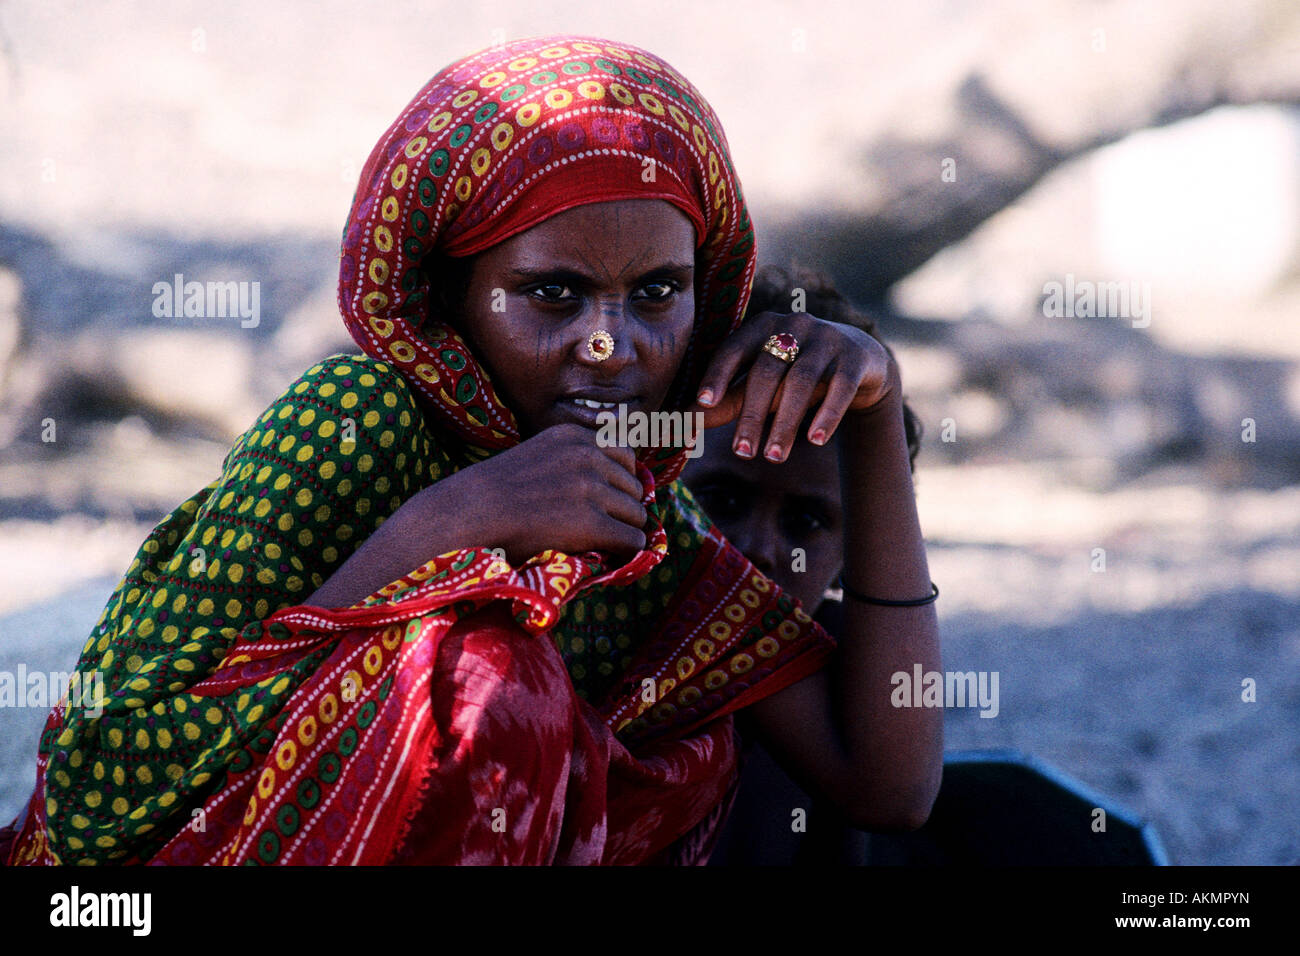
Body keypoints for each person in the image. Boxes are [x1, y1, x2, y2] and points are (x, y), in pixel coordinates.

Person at [2, 33, 941, 866]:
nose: (611, 345)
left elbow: (887, 788)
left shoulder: (647, 526)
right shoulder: (353, 423)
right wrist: (449, 526)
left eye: (658, 293)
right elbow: (96, 786)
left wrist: (875, 409)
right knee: (492, 680)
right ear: (452, 297)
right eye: (552, 295)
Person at [683, 263, 925, 864]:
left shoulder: (841, 672)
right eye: (723, 499)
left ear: (854, 560)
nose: (761, 547)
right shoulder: (587, 617)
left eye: (808, 522)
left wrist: (880, 396)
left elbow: (896, 800)